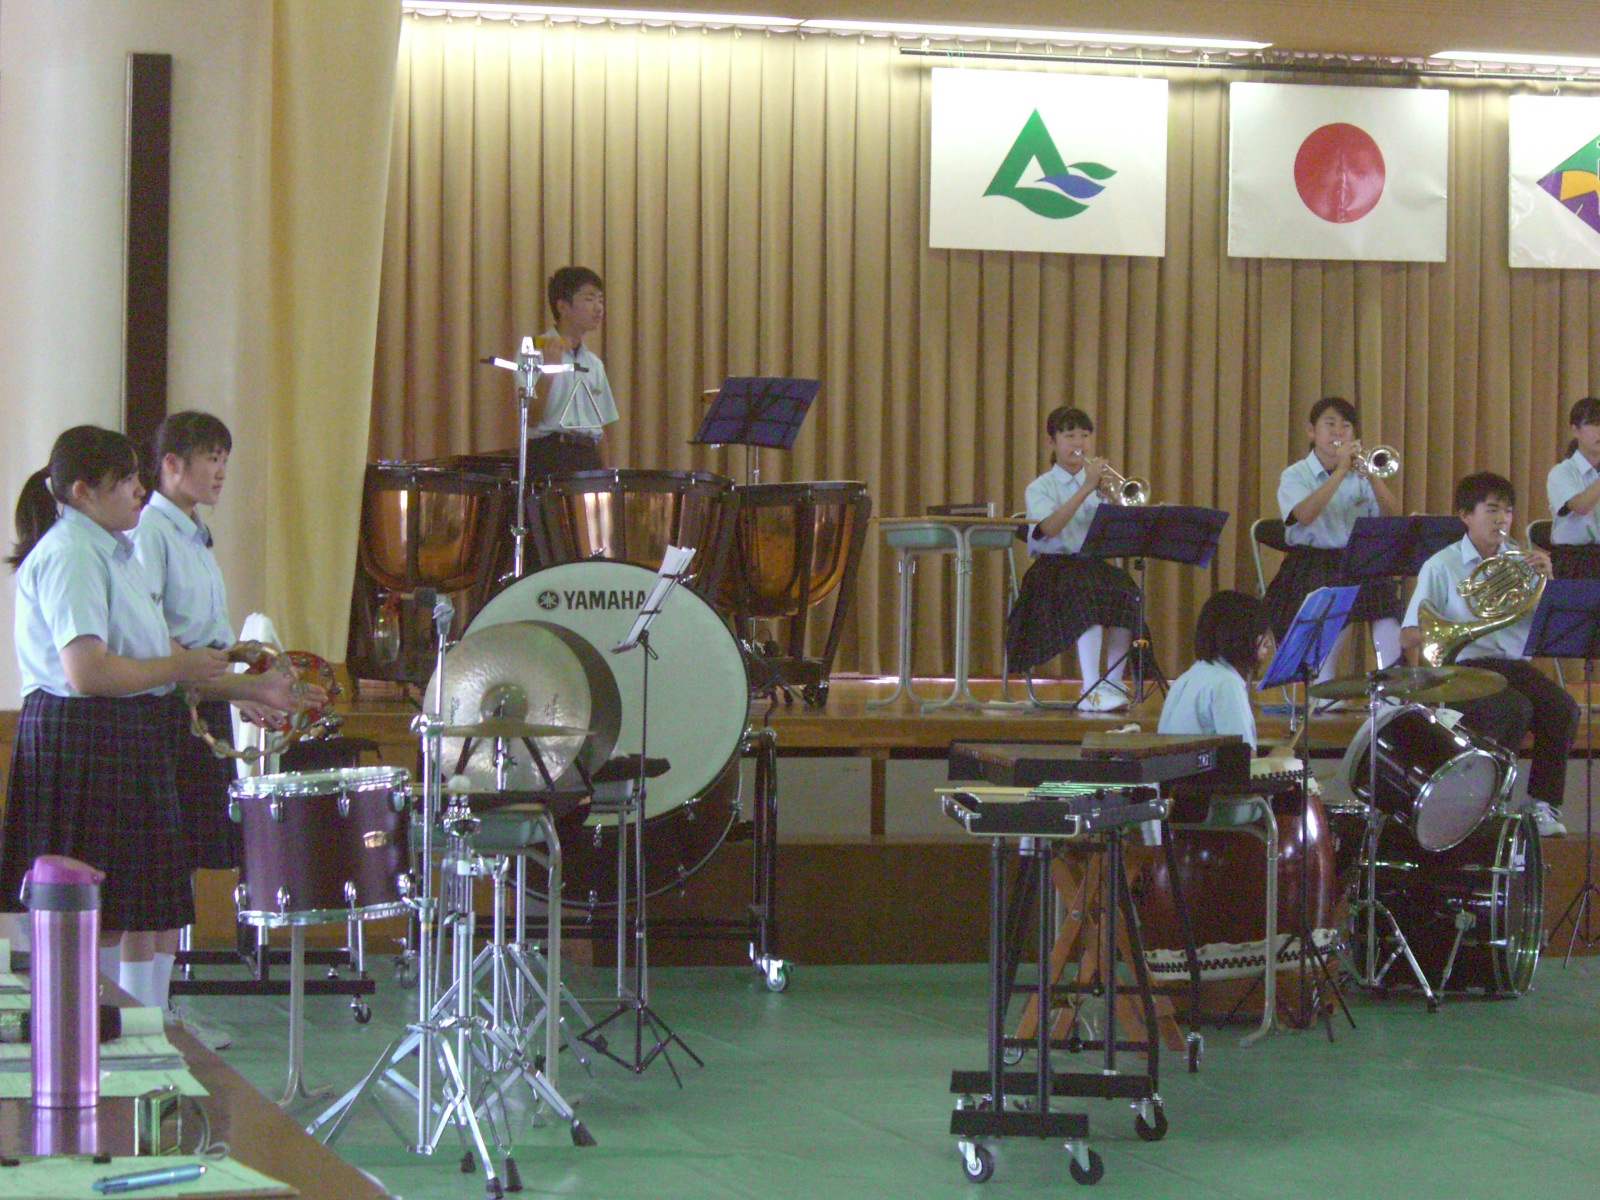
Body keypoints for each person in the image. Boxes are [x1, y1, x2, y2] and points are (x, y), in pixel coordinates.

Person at [132, 411, 315, 1045]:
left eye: (224, 459)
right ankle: (146, 1014)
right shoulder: (151, 532)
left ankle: (162, 1009)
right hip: (167, 709)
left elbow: (210, 641)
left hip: (203, 702)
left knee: (179, 862)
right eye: (210, 458)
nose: (220, 471)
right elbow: (157, 642)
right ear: (171, 464)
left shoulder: (192, 534)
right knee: (160, 866)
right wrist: (244, 688)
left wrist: (252, 688)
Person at [1400, 472, 1578, 837]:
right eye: (1492, 510)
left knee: (1562, 709)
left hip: (1511, 666)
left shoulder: (1523, 564)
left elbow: (1549, 628)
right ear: (1466, 515)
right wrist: (1459, 627)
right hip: (1462, 666)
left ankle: (1542, 805)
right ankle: (1491, 807)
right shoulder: (1441, 565)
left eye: (1508, 511)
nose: (1502, 520)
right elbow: (1407, 636)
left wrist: (1549, 583)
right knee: (1512, 709)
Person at [1005, 405, 1141, 712]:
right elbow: (1049, 528)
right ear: (1052, 443)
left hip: (1091, 564)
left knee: (1128, 594)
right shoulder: (1040, 487)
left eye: (1085, 435)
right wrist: (1086, 489)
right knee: (1088, 595)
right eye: (1069, 436)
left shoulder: (1098, 484)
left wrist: (1113, 501)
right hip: (1052, 570)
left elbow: (1122, 533)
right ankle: (1090, 687)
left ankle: (1113, 682)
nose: (1078, 443)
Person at [1263, 397, 1402, 694]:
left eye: (1346, 426)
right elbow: (1304, 515)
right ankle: (1324, 691)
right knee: (1333, 608)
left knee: (1388, 611)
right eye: (1330, 424)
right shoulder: (1295, 474)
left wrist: (1373, 478)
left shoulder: (1361, 474)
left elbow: (1393, 517)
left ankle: (1392, 693)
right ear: (1312, 432)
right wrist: (1339, 472)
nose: (1338, 431)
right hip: (1313, 563)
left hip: (1359, 561)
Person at [526, 265, 619, 476]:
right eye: (589, 299)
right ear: (563, 307)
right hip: (549, 454)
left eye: (600, 300)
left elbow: (600, 430)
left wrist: (607, 476)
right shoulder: (533, 351)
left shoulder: (594, 364)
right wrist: (549, 369)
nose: (598, 308)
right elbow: (530, 418)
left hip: (588, 458)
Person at [1157, 591, 1276, 752]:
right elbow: (1242, 760)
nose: (1268, 643)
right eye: (1261, 634)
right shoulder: (1226, 684)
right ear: (1239, 635)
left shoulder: (1185, 679)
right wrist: (1281, 757)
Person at [1546, 396, 1600, 578]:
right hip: (1575, 562)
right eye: (1594, 424)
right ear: (1575, 430)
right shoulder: (1561, 472)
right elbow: (1581, 506)